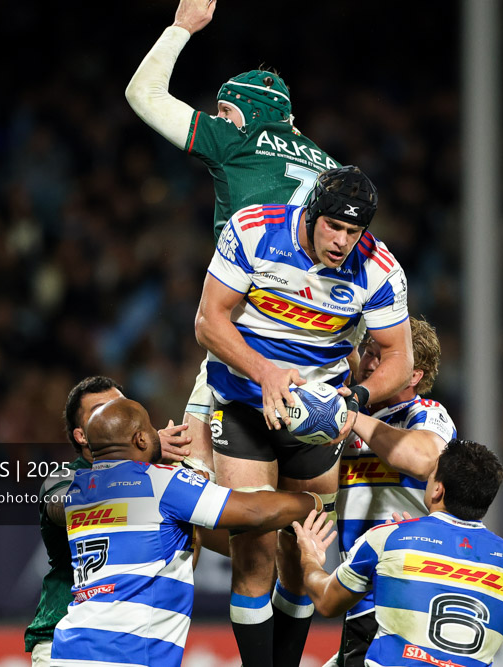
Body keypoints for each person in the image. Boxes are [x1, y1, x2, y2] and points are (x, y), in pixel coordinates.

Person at [195, 164, 413, 666]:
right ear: (311, 213)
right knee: (254, 554)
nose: (341, 242)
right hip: (244, 404)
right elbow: (208, 322)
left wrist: (355, 398)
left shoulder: (379, 268)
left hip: (318, 419)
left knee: (300, 554)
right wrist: (264, 371)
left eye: (353, 231)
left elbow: (400, 358)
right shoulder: (253, 230)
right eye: (333, 226)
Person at [125, 0, 342, 478]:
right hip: (319, 338)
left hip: (249, 325)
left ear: (251, 111)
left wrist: (182, 27)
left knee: (195, 479)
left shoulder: (237, 140)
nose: (218, 117)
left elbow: (143, 93)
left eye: (225, 110)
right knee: (305, 516)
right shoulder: (331, 167)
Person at [47, 398, 325, 667]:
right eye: (152, 429)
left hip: (69, 647)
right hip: (125, 653)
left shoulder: (78, 491)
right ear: (141, 439)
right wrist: (317, 500)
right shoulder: (161, 482)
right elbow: (256, 512)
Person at [293, 439, 503, 667]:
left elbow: (326, 601)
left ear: (437, 490)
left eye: (432, 475)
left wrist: (309, 557)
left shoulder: (389, 538)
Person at [24, 376, 192, 667]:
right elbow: (67, 507)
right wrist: (143, 456)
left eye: (119, 406)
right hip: (64, 638)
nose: (112, 415)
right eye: (100, 410)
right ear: (81, 436)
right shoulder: (64, 479)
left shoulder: (158, 476)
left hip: (131, 642)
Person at [332, 318, 457, 667]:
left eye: (380, 356)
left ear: (413, 375)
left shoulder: (426, 414)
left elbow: (422, 459)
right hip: (360, 593)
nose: (368, 363)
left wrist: (354, 417)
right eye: (367, 352)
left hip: (407, 592)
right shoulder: (344, 414)